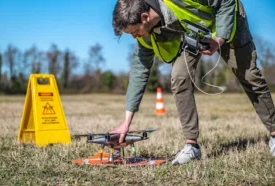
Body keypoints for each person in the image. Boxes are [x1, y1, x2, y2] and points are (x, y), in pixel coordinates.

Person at [110, 0, 275, 165]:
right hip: (194, 31)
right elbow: (139, 71)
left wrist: (219, 40)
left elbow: (226, 1)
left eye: (134, 31)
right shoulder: (146, 34)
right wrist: (126, 123)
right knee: (179, 77)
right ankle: (192, 146)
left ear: (145, 17)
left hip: (226, 16)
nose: (134, 36)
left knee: (249, 75)